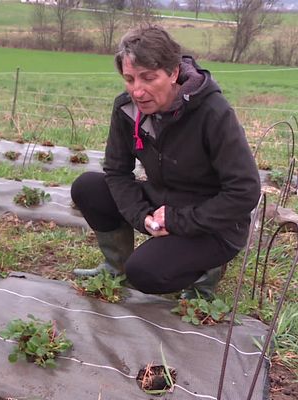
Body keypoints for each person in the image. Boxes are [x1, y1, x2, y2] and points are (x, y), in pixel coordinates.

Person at [71, 25, 260, 298]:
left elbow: (245, 191)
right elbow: (116, 171)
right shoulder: (126, 109)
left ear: (173, 72)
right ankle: (116, 266)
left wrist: (176, 220)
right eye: (130, 79)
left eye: (148, 78)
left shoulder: (212, 112)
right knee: (89, 186)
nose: (137, 91)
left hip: (213, 222)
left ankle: (206, 275)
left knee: (146, 272)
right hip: (164, 203)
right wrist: (142, 217)